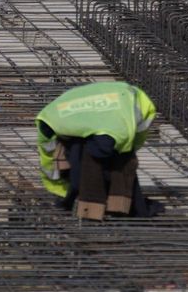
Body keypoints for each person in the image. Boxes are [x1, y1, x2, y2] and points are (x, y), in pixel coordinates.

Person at [35, 80, 157, 219]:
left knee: (119, 157)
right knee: (109, 158)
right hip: (111, 100)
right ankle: (106, 201)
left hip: (127, 100)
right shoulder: (48, 122)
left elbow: (133, 142)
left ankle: (106, 203)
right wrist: (61, 189)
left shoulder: (127, 121)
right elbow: (47, 157)